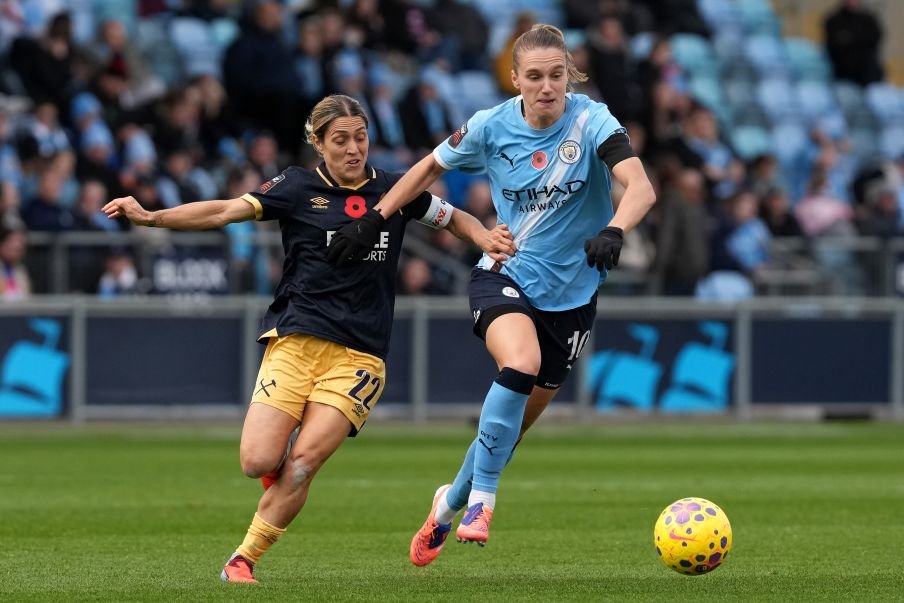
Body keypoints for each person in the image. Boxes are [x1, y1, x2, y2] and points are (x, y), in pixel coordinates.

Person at [102, 94, 516, 584]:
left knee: (302, 466)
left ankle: (243, 559)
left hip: (360, 356)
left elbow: (453, 218)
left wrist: (485, 237)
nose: (353, 149)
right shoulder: (298, 187)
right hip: (296, 341)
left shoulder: (394, 191)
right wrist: (152, 216)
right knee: (258, 461)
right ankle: (279, 464)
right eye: (339, 140)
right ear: (317, 143)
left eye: (360, 137)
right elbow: (223, 212)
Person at [326, 24, 656, 566]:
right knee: (519, 362)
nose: (546, 87)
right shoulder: (489, 127)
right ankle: (482, 503)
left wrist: (616, 228)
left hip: (572, 299)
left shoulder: (593, 120)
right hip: (505, 271)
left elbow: (639, 185)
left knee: (507, 435)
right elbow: (429, 166)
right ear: (515, 78)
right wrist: (376, 218)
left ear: (568, 74)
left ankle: (449, 502)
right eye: (534, 77)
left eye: (555, 75)